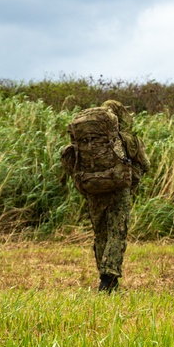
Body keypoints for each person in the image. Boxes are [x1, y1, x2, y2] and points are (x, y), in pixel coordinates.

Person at [61, 100, 150, 293]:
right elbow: (145, 164)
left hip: (92, 187)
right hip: (118, 189)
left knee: (101, 233)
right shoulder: (126, 139)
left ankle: (103, 275)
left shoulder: (87, 138)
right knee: (116, 232)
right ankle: (109, 279)